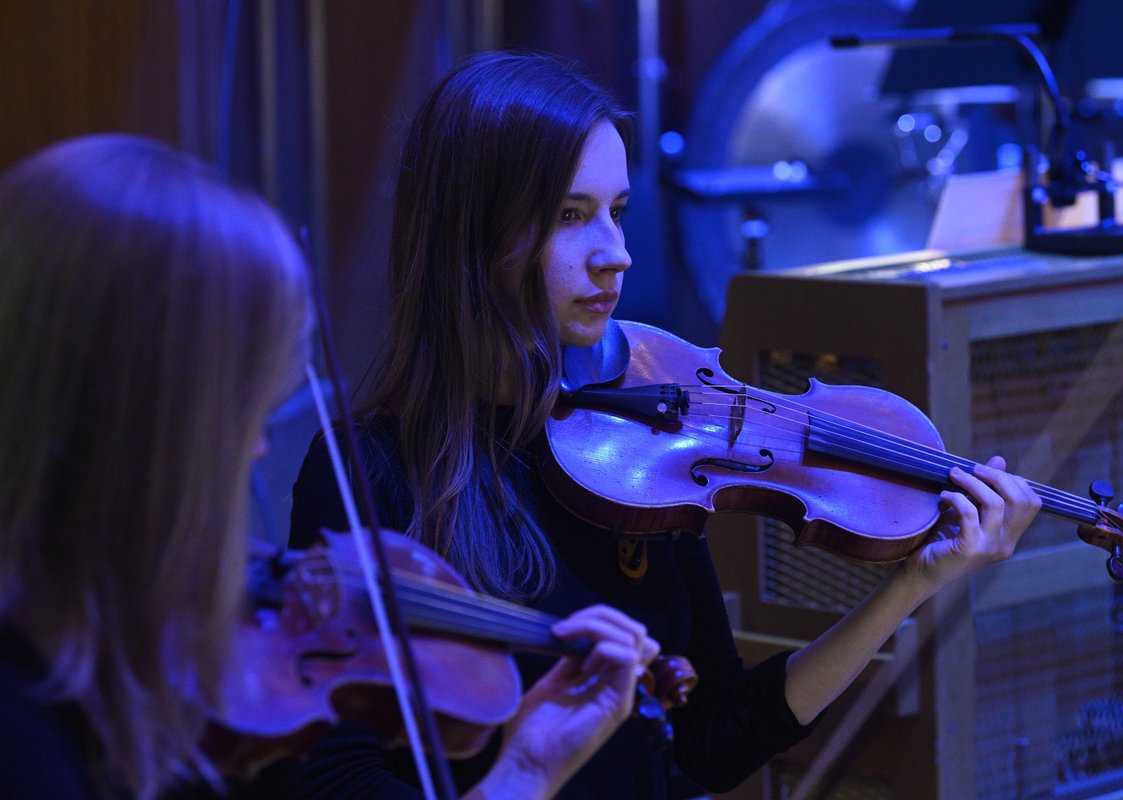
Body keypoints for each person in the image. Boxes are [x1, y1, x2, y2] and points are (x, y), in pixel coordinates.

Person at [289, 51, 1043, 798]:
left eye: (616, 213)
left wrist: (914, 581)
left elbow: (712, 740)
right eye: (569, 217)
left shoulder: (636, 450)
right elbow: (336, 783)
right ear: (474, 235)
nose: (614, 255)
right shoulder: (367, 471)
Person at [0, 133, 659, 800]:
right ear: (131, 419)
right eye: (241, 415)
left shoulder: (108, 654)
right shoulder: (23, 733)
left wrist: (527, 771)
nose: (255, 448)